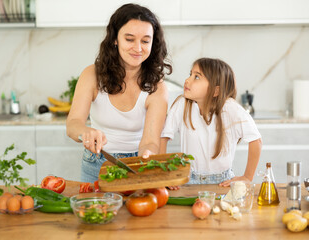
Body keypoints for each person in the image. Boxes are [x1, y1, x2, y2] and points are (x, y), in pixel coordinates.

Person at [66, 3, 172, 183]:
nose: (138, 48)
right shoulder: (92, 75)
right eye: (130, 39)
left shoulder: (157, 87)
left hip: (136, 164)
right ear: (115, 39)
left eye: (145, 41)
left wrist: (147, 155)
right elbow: (73, 124)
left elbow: (150, 141)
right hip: (96, 163)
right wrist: (86, 132)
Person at [160, 58, 262, 187]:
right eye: (190, 74)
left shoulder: (231, 108)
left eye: (197, 77)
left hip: (223, 183)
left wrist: (247, 177)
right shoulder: (182, 105)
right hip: (187, 180)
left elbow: (256, 140)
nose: (188, 80)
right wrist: (164, 176)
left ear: (216, 91)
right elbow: (163, 137)